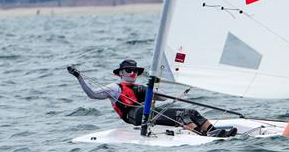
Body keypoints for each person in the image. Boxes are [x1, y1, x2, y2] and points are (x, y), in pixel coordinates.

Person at [68, 59, 236, 137]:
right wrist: (79, 77)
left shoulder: (142, 88)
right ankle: (203, 135)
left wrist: (156, 86)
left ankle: (211, 130)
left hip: (150, 111)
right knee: (178, 116)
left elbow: (162, 98)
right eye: (128, 71)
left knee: (191, 111)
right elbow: (92, 94)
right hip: (135, 115)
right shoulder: (114, 88)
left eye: (134, 71)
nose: (132, 73)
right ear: (120, 73)